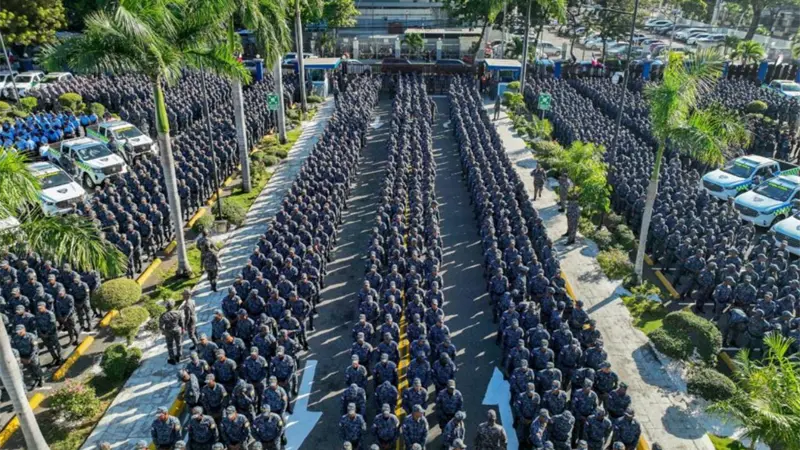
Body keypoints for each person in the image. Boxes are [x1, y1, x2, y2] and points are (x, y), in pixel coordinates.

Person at [159, 300, 185, 364]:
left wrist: (164, 331)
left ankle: (172, 359)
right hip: (177, 330)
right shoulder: (178, 313)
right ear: (173, 306)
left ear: (166, 307)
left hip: (168, 332)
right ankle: (179, 356)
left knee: (170, 346)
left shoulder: (163, 315)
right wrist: (182, 328)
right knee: (179, 343)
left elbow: (160, 326)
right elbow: (182, 322)